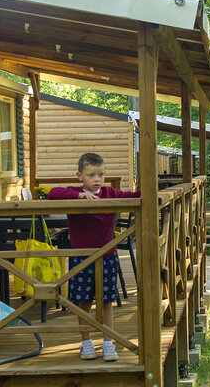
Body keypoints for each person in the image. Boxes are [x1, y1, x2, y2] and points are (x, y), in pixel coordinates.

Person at [48, 153, 141, 361]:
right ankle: (86, 343)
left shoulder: (110, 192)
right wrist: (79, 197)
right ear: (80, 176)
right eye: (91, 175)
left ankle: (108, 342)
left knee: (107, 301)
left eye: (101, 174)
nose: (97, 179)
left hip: (107, 256)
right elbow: (53, 194)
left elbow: (133, 196)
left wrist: (156, 190)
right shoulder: (73, 193)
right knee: (83, 302)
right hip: (81, 257)